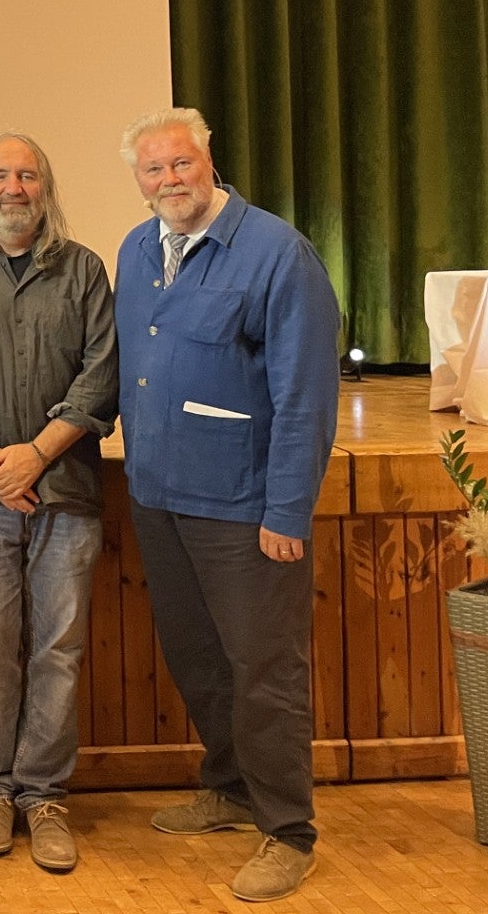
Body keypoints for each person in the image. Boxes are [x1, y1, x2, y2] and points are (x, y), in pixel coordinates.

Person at [114, 107, 340, 904]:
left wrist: (286, 513)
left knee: (265, 671)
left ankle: (288, 831)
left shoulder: (279, 253)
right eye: (153, 170)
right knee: (201, 661)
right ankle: (231, 788)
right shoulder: (138, 249)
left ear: (208, 160)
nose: (170, 180)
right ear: (137, 181)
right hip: (158, 496)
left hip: (244, 508)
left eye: (181, 164)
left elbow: (306, 398)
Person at [0, 133, 117, 872]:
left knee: (59, 651)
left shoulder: (84, 270)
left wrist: (36, 453)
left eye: (27, 174)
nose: (14, 187)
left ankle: (44, 797)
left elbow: (102, 376)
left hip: (67, 492)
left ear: (46, 187)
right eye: (0, 175)